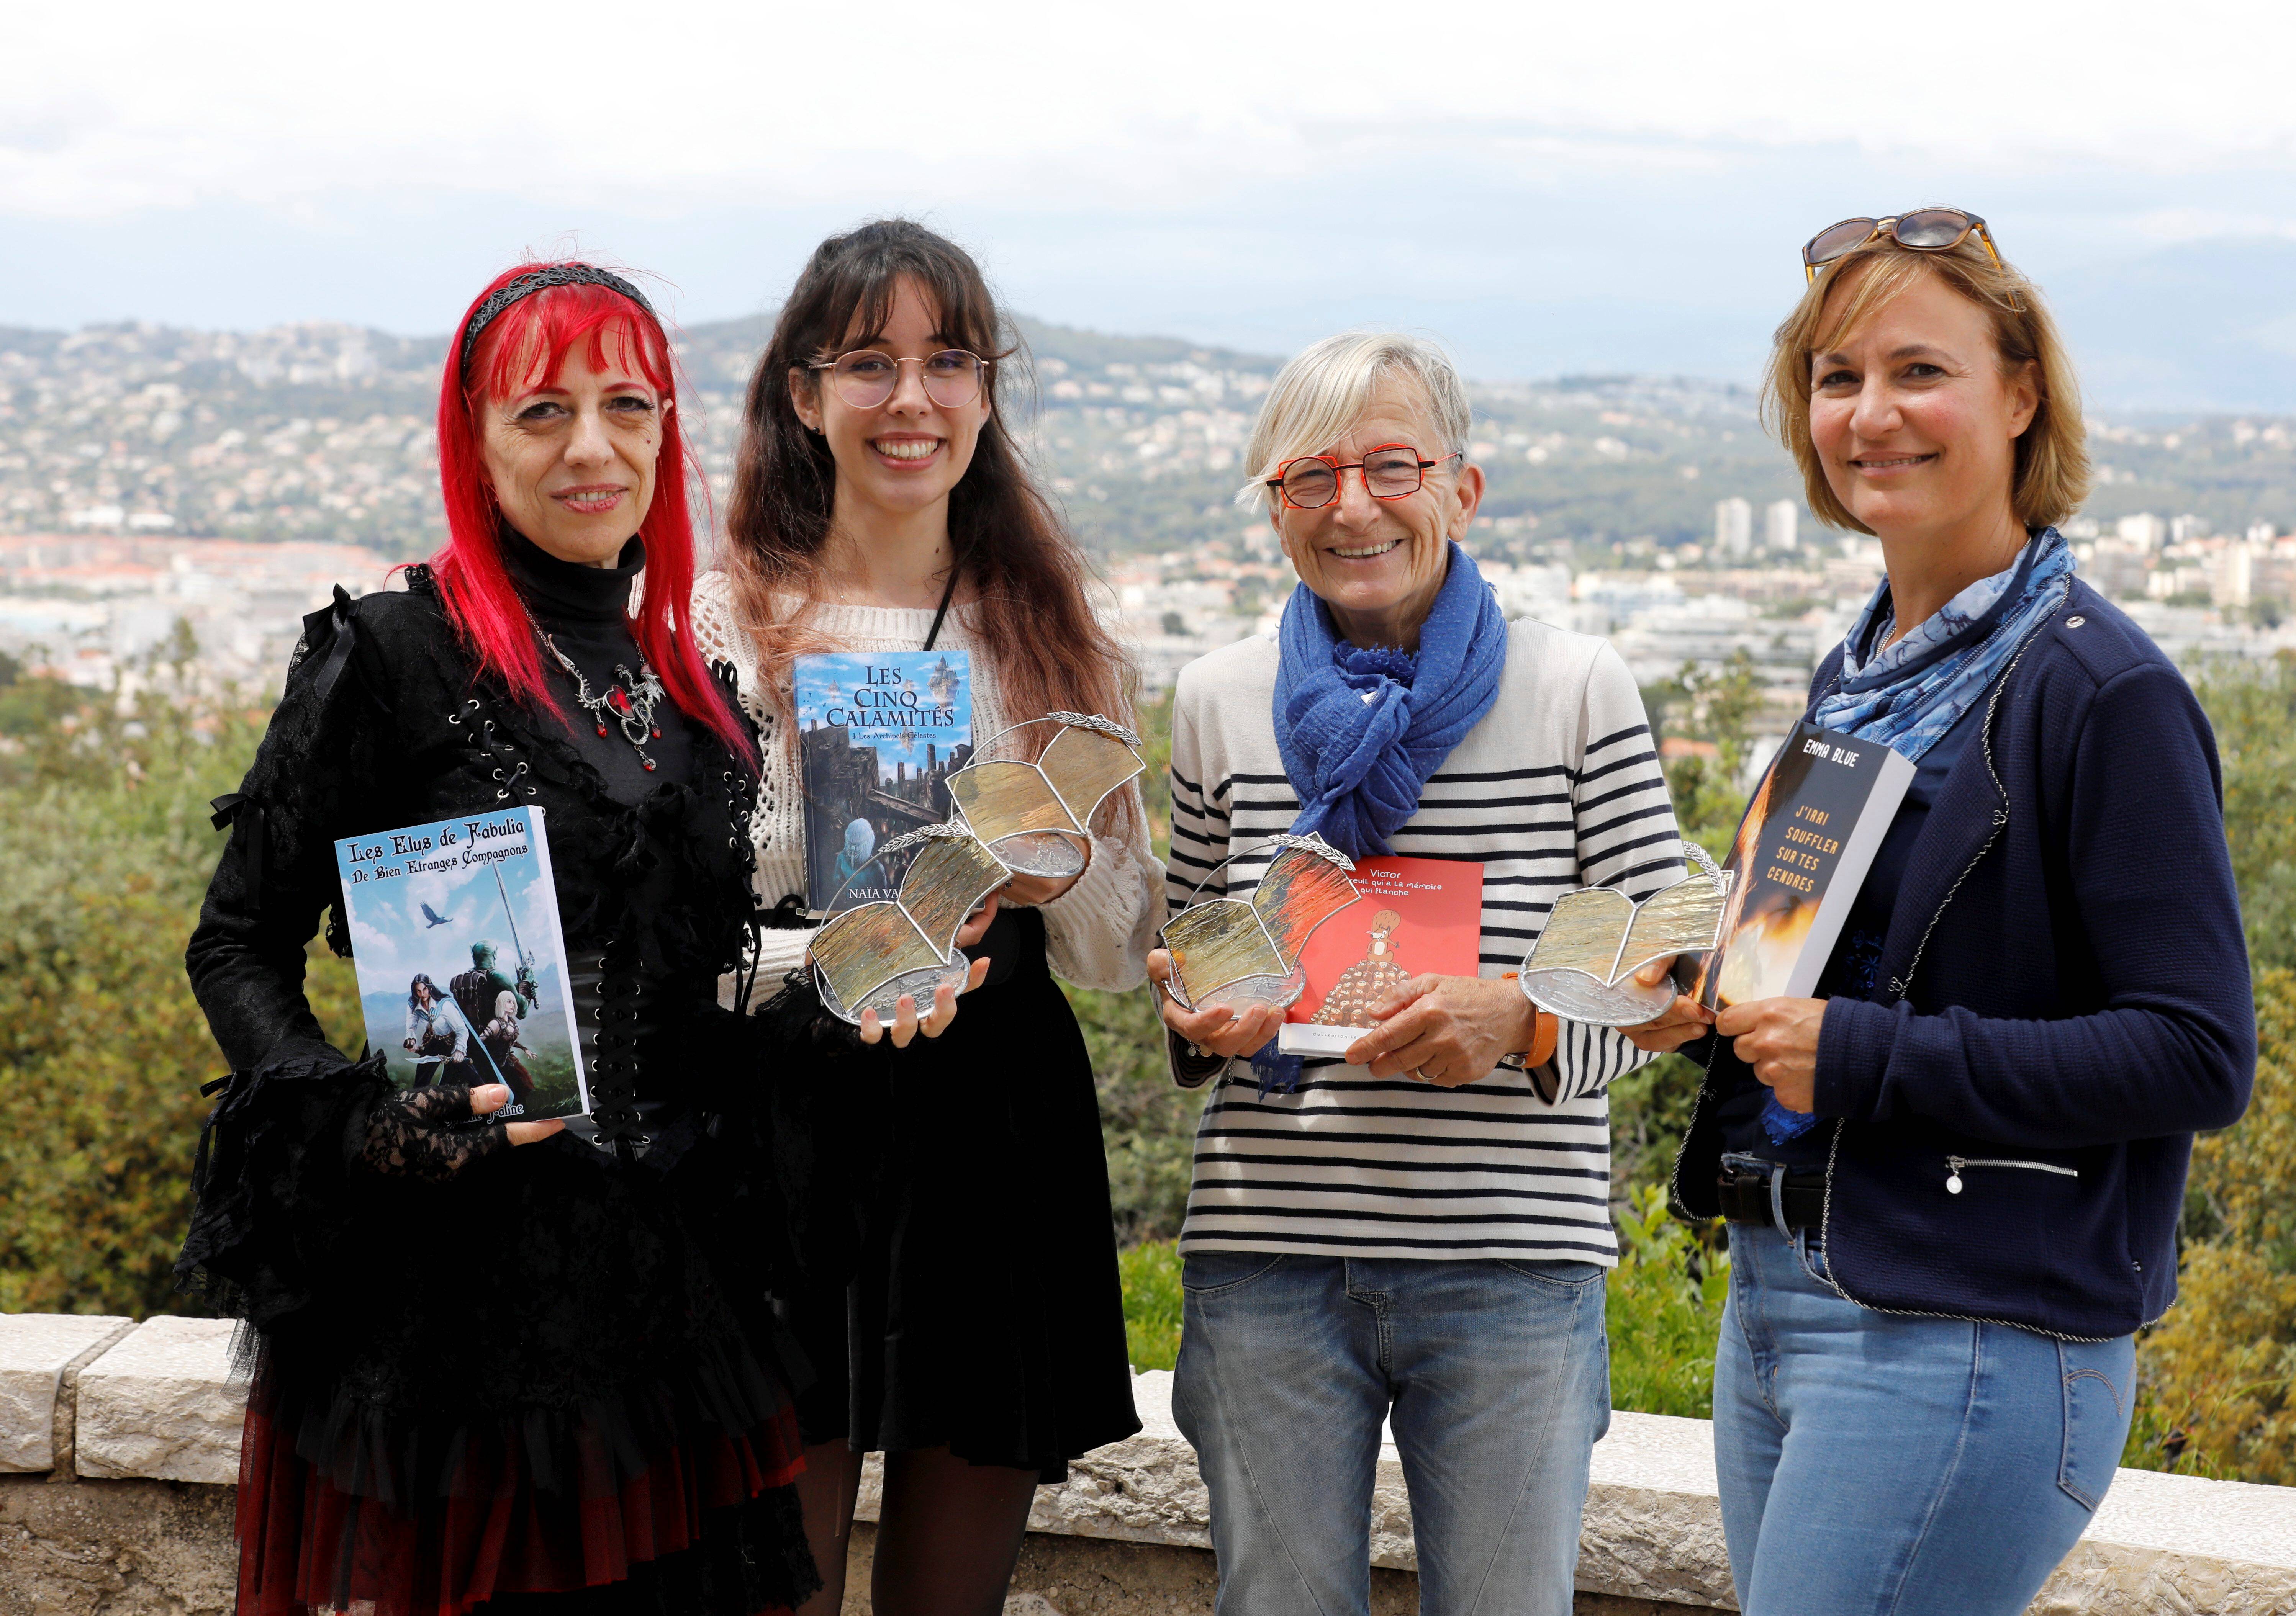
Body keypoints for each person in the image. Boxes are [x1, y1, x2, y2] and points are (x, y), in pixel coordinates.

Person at [178, 260, 973, 1616]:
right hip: (457, 1307)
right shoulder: (392, 655)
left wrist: (868, 985)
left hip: (669, 1304)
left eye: (626, 406)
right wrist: (369, 1118)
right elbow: (237, 944)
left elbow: (699, 995)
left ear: (667, 432)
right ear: (474, 441)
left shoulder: (688, 691)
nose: (591, 447)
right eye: (540, 412)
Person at [1626, 209, 2256, 1615]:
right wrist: (1707, 997)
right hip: (1782, 1293)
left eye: (1916, 370)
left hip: (1962, 1328)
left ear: (2018, 393)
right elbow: (1812, 974)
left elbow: (2194, 1053)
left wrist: (1861, 1055)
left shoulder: (2097, 693)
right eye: (1834, 376)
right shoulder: (1856, 676)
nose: (1868, 414)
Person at [1144, 330, 1683, 1615]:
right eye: (1305, 478)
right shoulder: (1217, 700)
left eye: (1391, 465)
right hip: (1267, 1254)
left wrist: (1523, 1026)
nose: (1351, 506)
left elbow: (1668, 987)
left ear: (1461, 487)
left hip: (1507, 1265)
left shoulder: (1574, 691)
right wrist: (1203, 1017)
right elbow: (1189, 964)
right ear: (1272, 508)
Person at [693, 219, 1162, 1616]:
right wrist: (817, 954)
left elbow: (1108, 949)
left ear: (985, 388)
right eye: (869, 362)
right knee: (767, 1585)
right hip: (781, 1127)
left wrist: (1057, 873)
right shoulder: (719, 625)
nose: (912, 399)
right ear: (799, 392)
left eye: (947, 359)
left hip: (989, 1128)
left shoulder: (1051, 631)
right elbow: (669, 944)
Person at [402, 972, 472, 1088]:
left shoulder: (445, 1005)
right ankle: (419, 1101)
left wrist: (459, 1050)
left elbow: (461, 1030)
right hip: (434, 1043)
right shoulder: (413, 1004)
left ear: (430, 987)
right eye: (418, 991)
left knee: (471, 1077)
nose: (423, 994)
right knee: (421, 1080)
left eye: (425, 989)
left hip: (452, 1042)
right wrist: (412, 1040)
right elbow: (411, 1026)